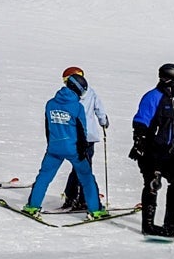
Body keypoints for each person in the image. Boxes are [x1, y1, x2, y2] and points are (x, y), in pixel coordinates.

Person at [23, 71, 106, 218]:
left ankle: (32, 206)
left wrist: (51, 144)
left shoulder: (50, 103)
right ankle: (95, 210)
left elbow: (48, 127)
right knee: (87, 178)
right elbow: (82, 131)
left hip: (54, 147)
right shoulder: (77, 107)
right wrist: (82, 150)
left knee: (43, 177)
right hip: (73, 148)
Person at [131, 63, 174, 237]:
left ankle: (173, 219)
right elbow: (140, 122)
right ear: (171, 81)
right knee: (153, 182)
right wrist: (139, 144)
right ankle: (149, 226)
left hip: (169, 149)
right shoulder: (153, 97)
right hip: (152, 149)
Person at [56, 67, 110, 211]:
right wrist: (103, 121)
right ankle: (80, 198)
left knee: (79, 167)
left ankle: (74, 196)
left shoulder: (67, 95)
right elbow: (100, 110)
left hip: (77, 136)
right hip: (86, 136)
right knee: (83, 168)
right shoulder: (90, 93)